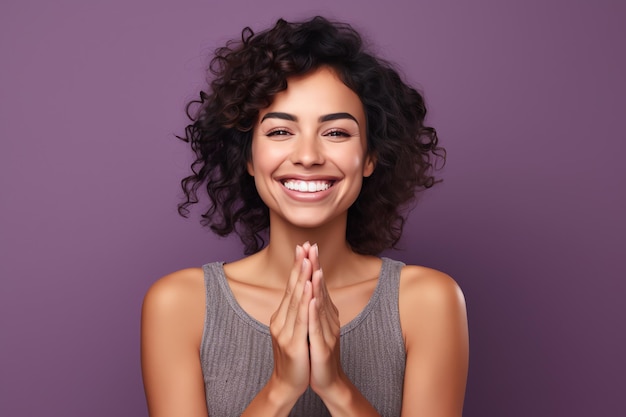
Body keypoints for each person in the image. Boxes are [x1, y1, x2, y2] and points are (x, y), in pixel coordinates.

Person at [141, 16, 468, 417]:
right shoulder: (180, 305)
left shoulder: (427, 302)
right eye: (280, 132)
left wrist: (335, 386)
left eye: (336, 133)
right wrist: (281, 389)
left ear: (369, 157)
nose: (309, 156)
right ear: (247, 156)